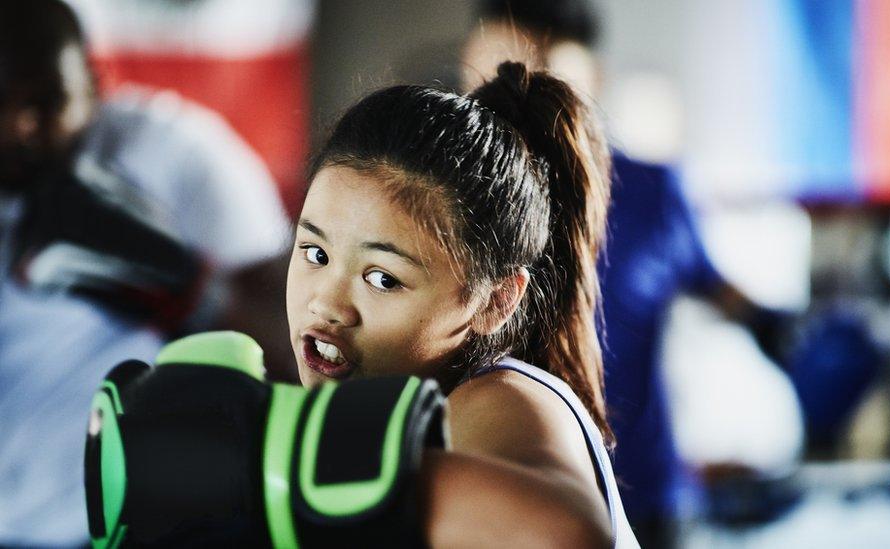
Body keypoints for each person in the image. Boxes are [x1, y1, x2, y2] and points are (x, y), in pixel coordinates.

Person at [460, 1, 798, 545]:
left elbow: (712, 285)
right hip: (496, 482)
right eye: (506, 68)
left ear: (592, 76)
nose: (524, 94)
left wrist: (785, 330)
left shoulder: (652, 190)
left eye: (547, 73)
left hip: (640, 490)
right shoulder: (448, 198)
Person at [283, 61, 638, 547]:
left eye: (383, 279)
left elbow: (562, 535)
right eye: (315, 254)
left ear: (495, 302)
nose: (326, 302)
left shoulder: (495, 399)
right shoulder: (393, 410)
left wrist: (270, 458)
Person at [0, 1, 291, 544]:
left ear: (93, 81)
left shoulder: (168, 149)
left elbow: (308, 341)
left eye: (46, 101)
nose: (20, 128)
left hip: (141, 516)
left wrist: (188, 292)